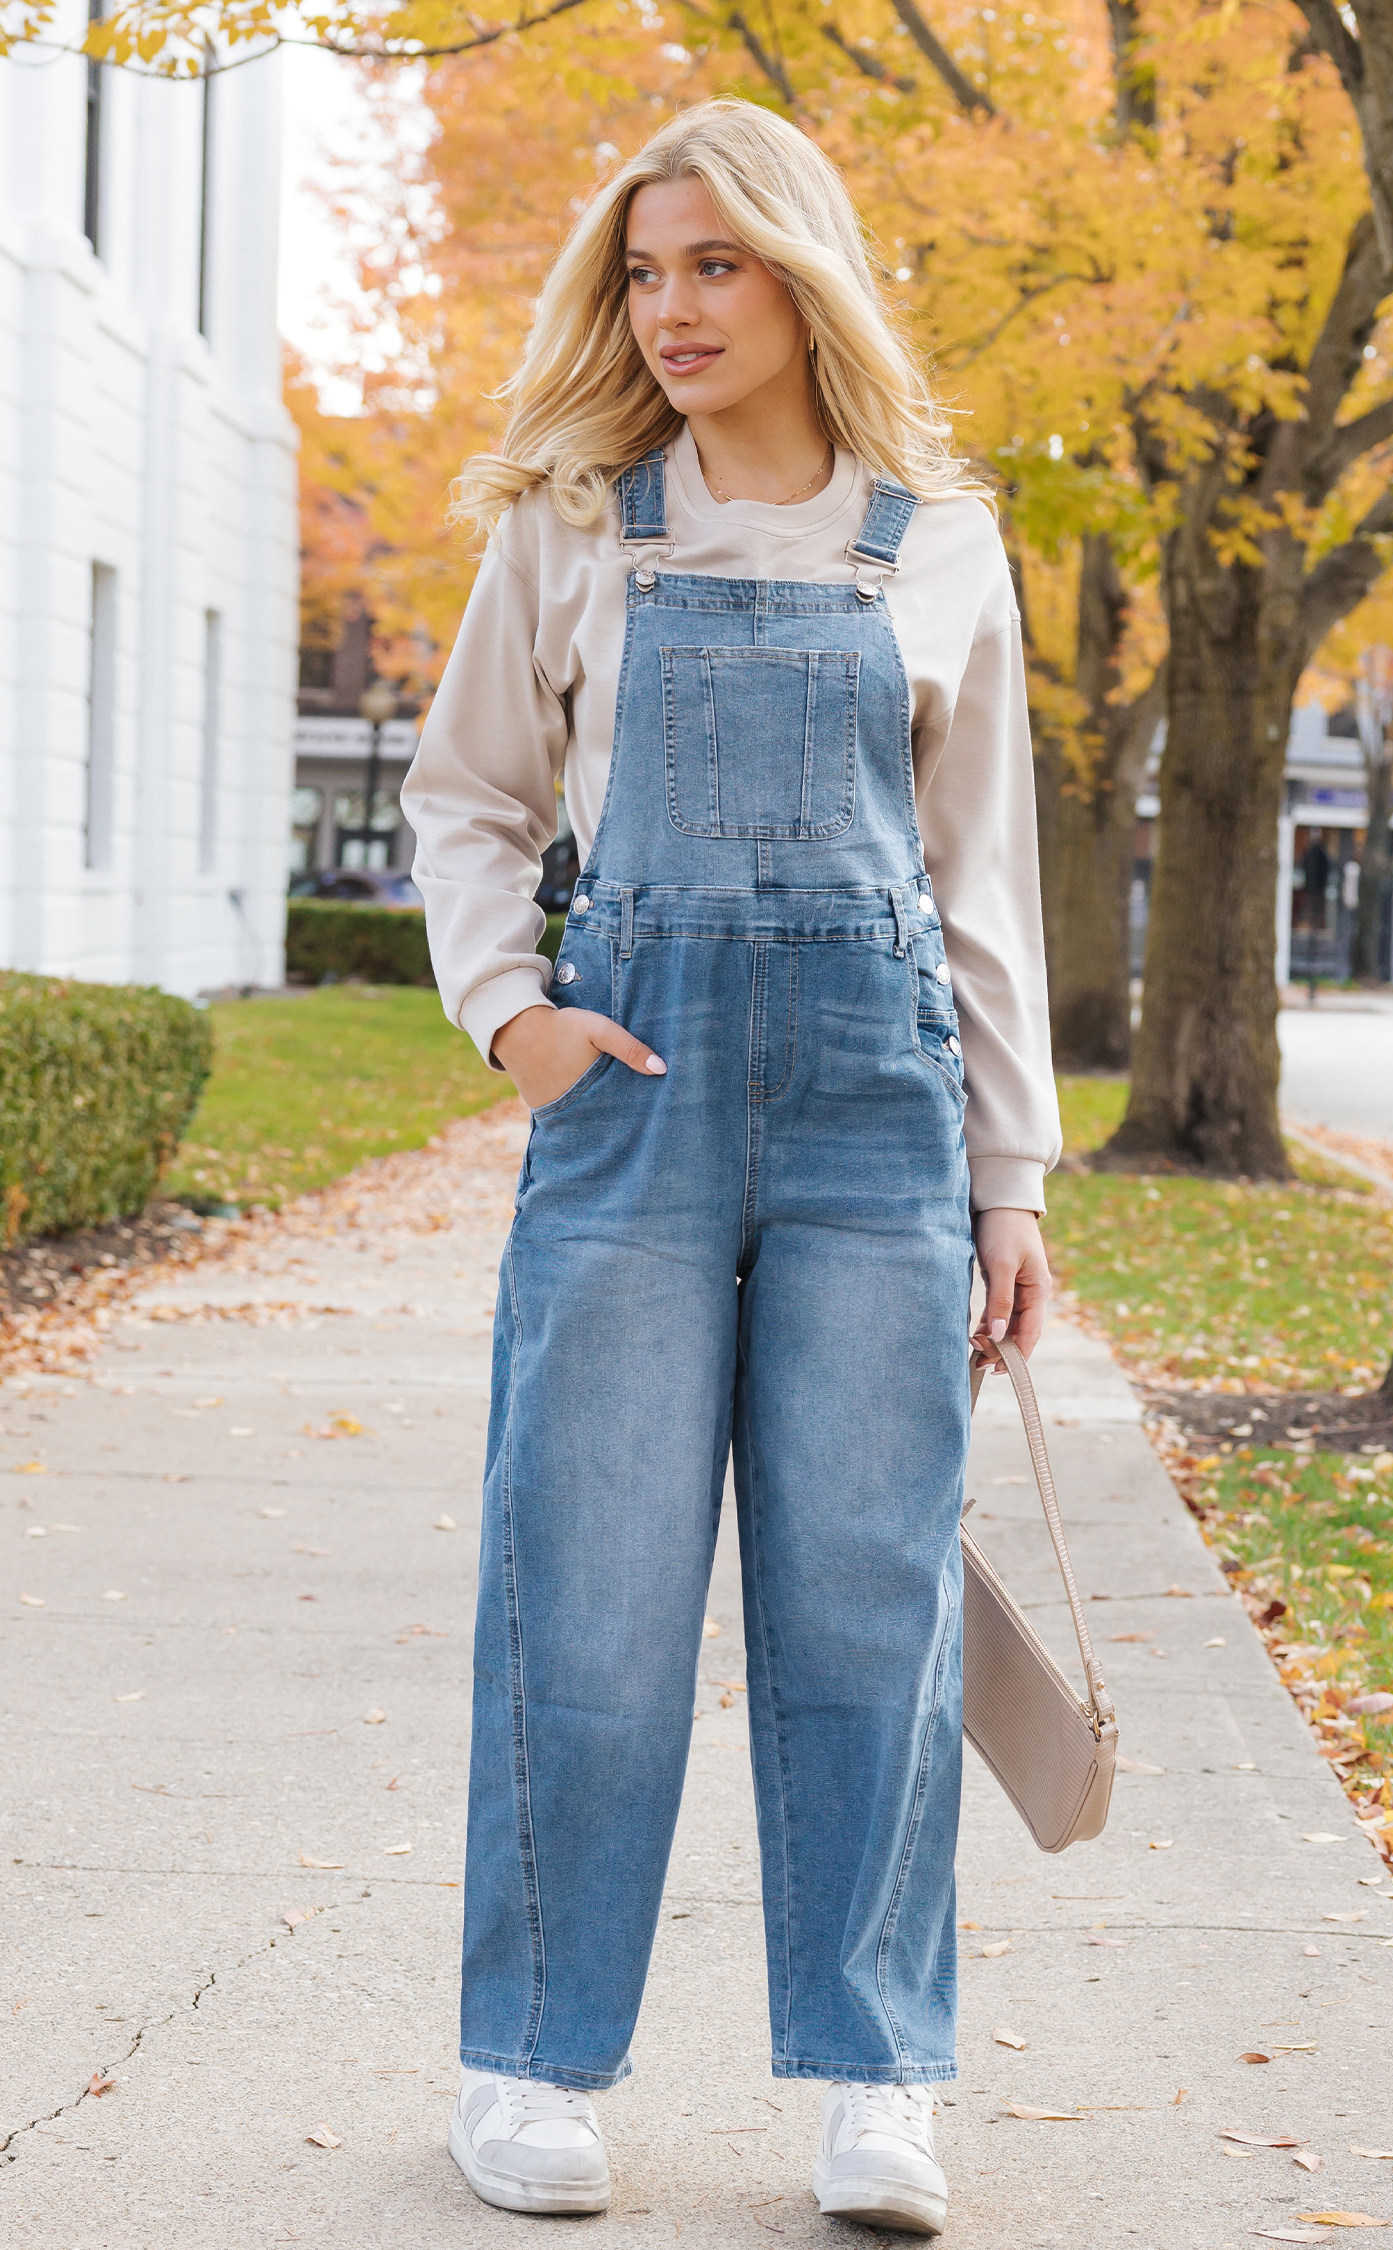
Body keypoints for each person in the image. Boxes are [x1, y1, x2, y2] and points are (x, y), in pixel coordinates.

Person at [401, 95, 1062, 2238]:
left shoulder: (939, 534)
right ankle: (531, 2061)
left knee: (871, 1594)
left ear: (804, 273)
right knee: (582, 1582)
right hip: (636, 1108)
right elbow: (470, 800)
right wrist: (514, 1014)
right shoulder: (578, 520)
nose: (669, 309)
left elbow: (985, 886)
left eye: (713, 265)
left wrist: (1013, 1176)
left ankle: (879, 2084)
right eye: (642, 272)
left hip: (881, 1117)